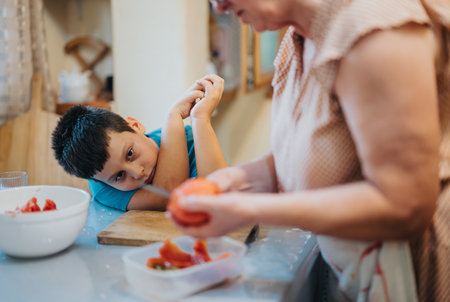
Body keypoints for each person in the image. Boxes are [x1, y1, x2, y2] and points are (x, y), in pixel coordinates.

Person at [171, 1, 450, 301]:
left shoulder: (374, 33)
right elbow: (309, 152)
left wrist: (244, 210)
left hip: (415, 269)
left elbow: (405, 206)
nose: (219, 6)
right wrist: (232, 181)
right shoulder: (296, 39)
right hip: (357, 264)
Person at [52, 74, 227, 211]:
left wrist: (200, 118)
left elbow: (219, 194)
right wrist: (173, 115)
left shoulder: (189, 140)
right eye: (119, 176)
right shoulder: (102, 186)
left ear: (135, 125)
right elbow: (167, 195)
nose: (138, 173)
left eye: (129, 154)